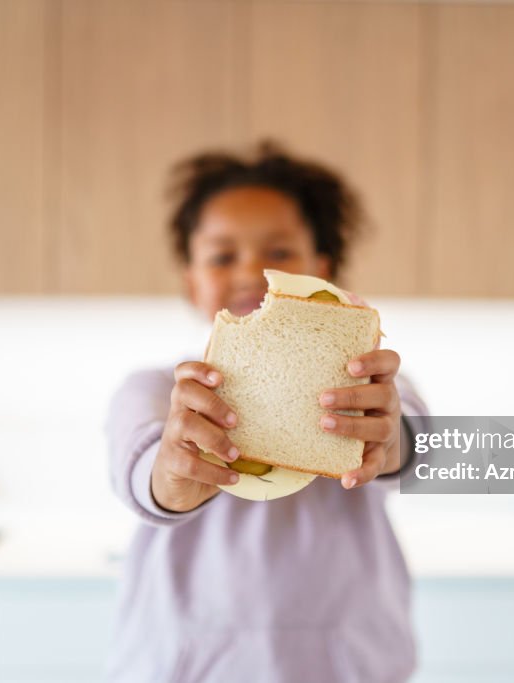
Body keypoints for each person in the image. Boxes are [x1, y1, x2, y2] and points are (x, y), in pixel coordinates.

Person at [105, 142, 427, 682]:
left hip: (347, 666)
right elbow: (138, 467)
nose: (253, 271)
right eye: (222, 255)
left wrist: (389, 440)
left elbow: (415, 441)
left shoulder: (372, 382)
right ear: (191, 281)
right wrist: (170, 475)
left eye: (279, 253)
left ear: (320, 271)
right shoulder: (157, 391)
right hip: (192, 666)